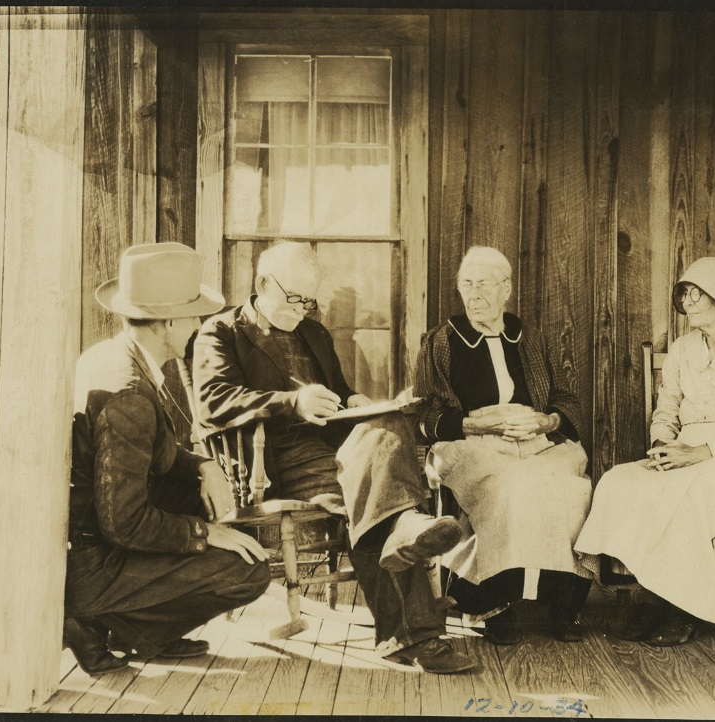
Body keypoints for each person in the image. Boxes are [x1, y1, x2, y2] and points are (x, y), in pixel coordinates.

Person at [192, 241, 474, 675]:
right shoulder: (221, 332)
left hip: (335, 448)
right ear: (262, 283)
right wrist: (294, 402)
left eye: (310, 300)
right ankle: (417, 629)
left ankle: (407, 550)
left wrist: (356, 401)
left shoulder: (314, 333)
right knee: (382, 502)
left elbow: (338, 394)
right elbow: (215, 402)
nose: (303, 309)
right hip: (273, 458)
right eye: (294, 298)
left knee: (389, 426)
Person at [64, 243, 271, 677]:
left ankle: (132, 629)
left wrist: (202, 466)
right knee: (248, 571)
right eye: (194, 314)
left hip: (92, 541)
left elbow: (150, 449)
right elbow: (124, 522)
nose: (199, 324)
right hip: (94, 563)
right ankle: (101, 618)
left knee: (204, 496)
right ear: (171, 321)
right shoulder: (130, 395)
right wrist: (204, 533)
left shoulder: (112, 357)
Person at [575, 256, 715, 645]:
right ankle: (654, 593)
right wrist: (661, 446)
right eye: (684, 294)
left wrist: (702, 452)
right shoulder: (683, 349)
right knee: (620, 481)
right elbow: (666, 410)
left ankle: (683, 606)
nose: (686, 302)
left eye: (695, 294)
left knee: (690, 495)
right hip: (683, 449)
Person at [413, 246, 593, 645]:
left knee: (571, 489)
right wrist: (471, 424)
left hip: (536, 440)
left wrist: (547, 420)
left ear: (506, 289)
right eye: (466, 284)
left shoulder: (531, 337)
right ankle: (492, 602)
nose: (473, 295)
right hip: (471, 444)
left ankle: (564, 602)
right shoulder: (440, 341)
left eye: (483, 285)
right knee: (510, 486)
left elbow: (567, 399)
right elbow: (422, 413)